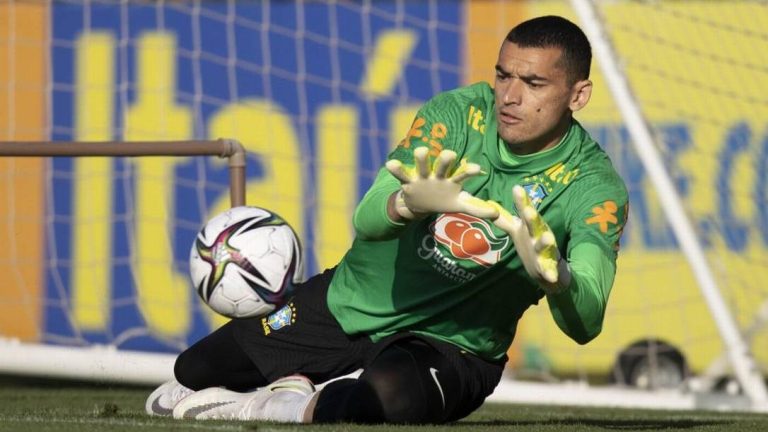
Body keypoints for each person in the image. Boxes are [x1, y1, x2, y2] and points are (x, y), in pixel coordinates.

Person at [146, 15, 628, 424]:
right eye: (504, 76)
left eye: (534, 83)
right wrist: (407, 204)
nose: (509, 96)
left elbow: (587, 322)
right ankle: (302, 381)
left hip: (453, 349)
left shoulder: (593, 187)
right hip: (349, 305)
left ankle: (262, 408)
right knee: (194, 371)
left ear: (578, 94)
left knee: (371, 401)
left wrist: (558, 278)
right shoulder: (458, 113)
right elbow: (368, 219)